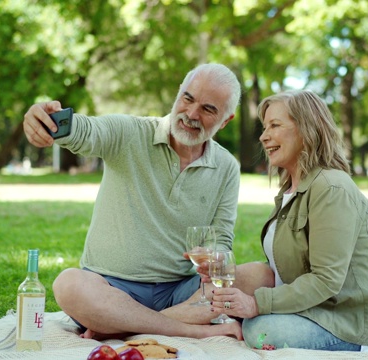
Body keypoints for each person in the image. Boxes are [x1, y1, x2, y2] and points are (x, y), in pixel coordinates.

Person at [22, 63, 246, 340]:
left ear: (225, 120)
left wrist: (213, 258)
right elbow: (88, 131)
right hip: (111, 288)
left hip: (179, 293)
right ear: (178, 94)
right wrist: (51, 122)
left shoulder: (226, 167)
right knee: (68, 284)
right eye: (187, 99)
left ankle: (124, 326)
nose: (191, 114)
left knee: (259, 276)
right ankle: (187, 328)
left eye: (208, 109)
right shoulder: (131, 133)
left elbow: (222, 239)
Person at [208, 90, 368, 351]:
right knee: (226, 293)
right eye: (264, 127)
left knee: (259, 330)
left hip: (344, 325)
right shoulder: (291, 190)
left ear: (307, 129)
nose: (263, 136)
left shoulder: (331, 188)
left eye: (275, 125)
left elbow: (326, 279)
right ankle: (164, 321)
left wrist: (256, 304)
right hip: (308, 310)